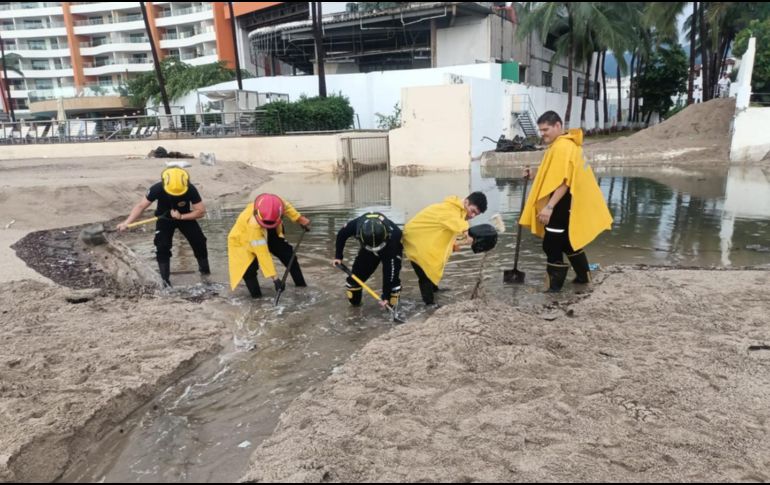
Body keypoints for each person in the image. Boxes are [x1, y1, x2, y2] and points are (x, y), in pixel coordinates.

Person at [519, 111, 612, 292]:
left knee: (551, 244)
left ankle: (553, 290)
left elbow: (564, 181)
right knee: (568, 242)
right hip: (569, 204)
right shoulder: (566, 144)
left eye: (545, 129)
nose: (542, 134)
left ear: (558, 126)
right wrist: (535, 174)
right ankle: (583, 278)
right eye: (540, 130)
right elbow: (554, 174)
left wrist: (549, 207)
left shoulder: (562, 146)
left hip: (561, 204)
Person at [118, 167, 208, 287]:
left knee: (199, 241)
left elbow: (201, 212)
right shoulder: (157, 188)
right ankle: (165, 281)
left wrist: (181, 216)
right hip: (164, 218)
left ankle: (205, 273)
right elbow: (141, 206)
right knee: (162, 246)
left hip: (185, 217)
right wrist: (126, 222)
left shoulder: (190, 189)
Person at [402, 192, 487, 306]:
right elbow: (458, 224)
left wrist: (456, 243)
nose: (472, 216)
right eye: (473, 211)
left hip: (424, 238)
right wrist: (469, 233)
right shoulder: (449, 209)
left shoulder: (459, 212)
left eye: (476, 214)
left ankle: (435, 290)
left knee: (433, 266)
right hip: (416, 240)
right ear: (466, 202)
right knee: (425, 273)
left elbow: (451, 228)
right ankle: (430, 305)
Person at [228, 193, 310, 298]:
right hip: (241, 241)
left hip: (269, 232)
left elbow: (286, 206)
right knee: (249, 270)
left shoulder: (276, 203)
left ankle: (302, 288)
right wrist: (275, 279)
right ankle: (257, 300)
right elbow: (263, 254)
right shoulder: (253, 225)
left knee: (289, 257)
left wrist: (299, 219)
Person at [332, 212, 402, 309]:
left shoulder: (394, 235)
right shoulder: (355, 225)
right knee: (353, 283)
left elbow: (391, 271)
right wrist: (338, 256)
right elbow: (341, 235)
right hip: (367, 251)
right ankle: (356, 310)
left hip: (389, 248)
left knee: (392, 289)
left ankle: (391, 305)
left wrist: (386, 295)